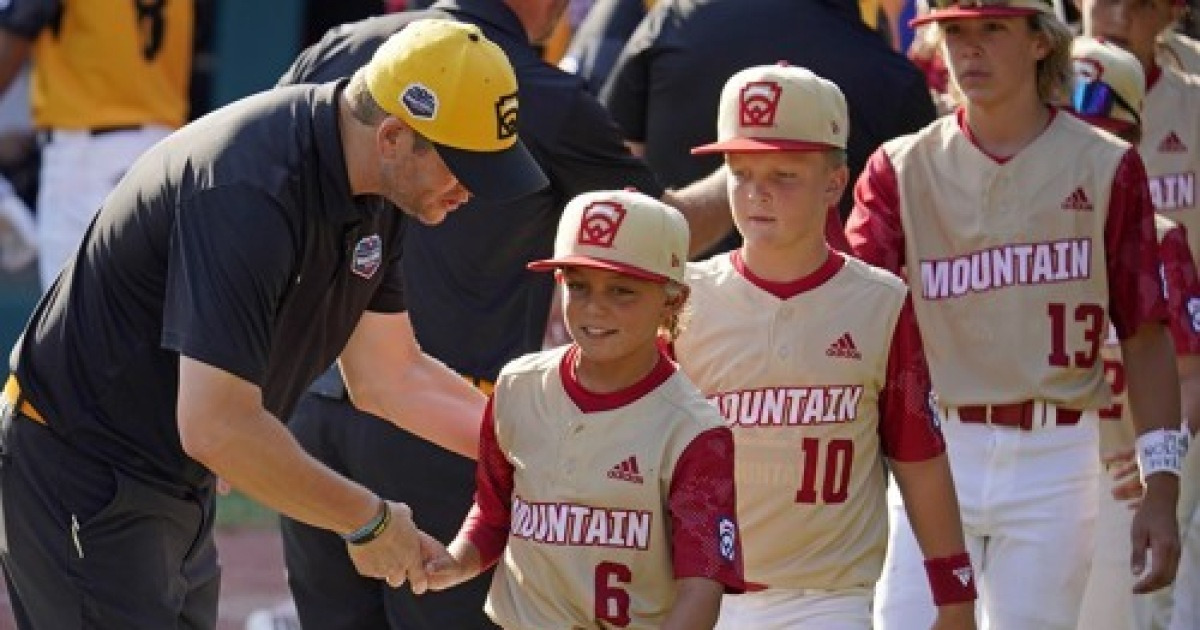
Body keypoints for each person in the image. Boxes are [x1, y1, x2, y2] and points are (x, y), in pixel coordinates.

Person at [0, 19, 548, 629]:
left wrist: (534, 451)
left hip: (169, 479)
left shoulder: (378, 183)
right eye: (463, 166)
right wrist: (366, 519)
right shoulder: (250, 188)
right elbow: (217, 426)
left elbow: (391, 376)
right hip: (84, 470)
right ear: (393, 136)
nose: (471, 190)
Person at [271, 2, 736, 628]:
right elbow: (651, 237)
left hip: (311, 413)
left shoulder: (339, 48)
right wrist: (745, 183)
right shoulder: (531, 89)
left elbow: (273, 212)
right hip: (443, 422)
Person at [844, 1, 1185, 627]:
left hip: (1056, 456)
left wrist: (1161, 486)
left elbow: (1143, 332)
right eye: (955, 31)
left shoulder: (1107, 163)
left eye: (992, 28)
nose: (969, 48)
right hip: (933, 453)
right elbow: (855, 328)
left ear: (1039, 42)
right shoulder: (898, 168)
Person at [673, 62, 977, 630]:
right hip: (700, 595)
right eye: (741, 173)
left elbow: (918, 455)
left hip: (827, 598)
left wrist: (954, 590)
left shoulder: (880, 303)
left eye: (784, 174)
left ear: (835, 183)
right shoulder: (683, 299)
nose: (758, 193)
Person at [424, 188, 745, 628]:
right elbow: (495, 511)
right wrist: (457, 561)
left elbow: (702, 585)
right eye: (578, 285)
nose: (596, 307)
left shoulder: (693, 429)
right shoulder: (518, 385)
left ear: (672, 299)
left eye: (622, 290)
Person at [598, 0, 937, 256]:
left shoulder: (672, 21)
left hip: (675, 319)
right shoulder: (889, 73)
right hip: (833, 326)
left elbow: (611, 193)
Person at [1065, 36, 1200, 630]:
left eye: (1102, 138)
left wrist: (1152, 468)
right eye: (1066, 134)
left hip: (1125, 476)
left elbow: (1191, 378)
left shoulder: (1161, 238)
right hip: (1045, 473)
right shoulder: (1015, 238)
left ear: (1132, 146)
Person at [0, 0, 194, 289]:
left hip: (88, 159)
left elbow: (20, 23)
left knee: (74, 324)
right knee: (143, 319)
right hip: (167, 154)